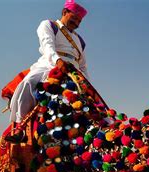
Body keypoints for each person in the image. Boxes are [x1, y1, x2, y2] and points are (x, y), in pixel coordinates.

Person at [6, 0, 88, 143]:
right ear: (64, 12)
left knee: (93, 106)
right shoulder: (49, 25)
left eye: (79, 21)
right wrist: (58, 61)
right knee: (28, 83)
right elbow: (47, 46)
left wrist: (87, 83)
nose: (77, 23)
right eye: (74, 18)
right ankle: (20, 128)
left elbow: (83, 65)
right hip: (50, 65)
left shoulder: (80, 40)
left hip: (74, 72)